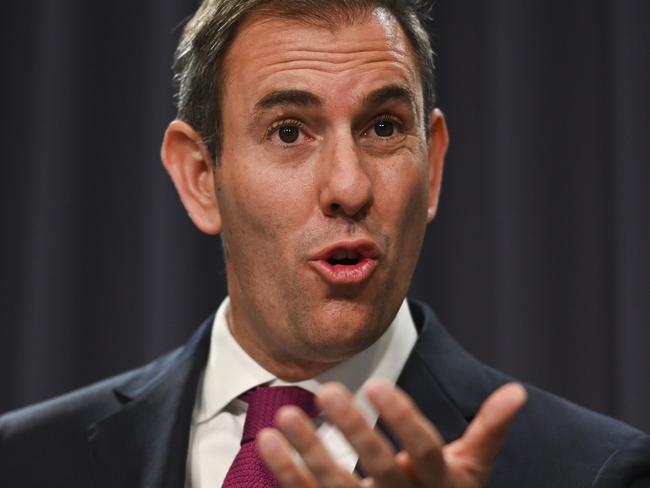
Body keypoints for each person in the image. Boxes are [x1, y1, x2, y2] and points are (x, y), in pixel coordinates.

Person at [1, 1, 649, 487]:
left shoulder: (597, 472)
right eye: (289, 132)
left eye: (385, 127)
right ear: (201, 178)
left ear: (436, 166)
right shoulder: (26, 461)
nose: (349, 186)